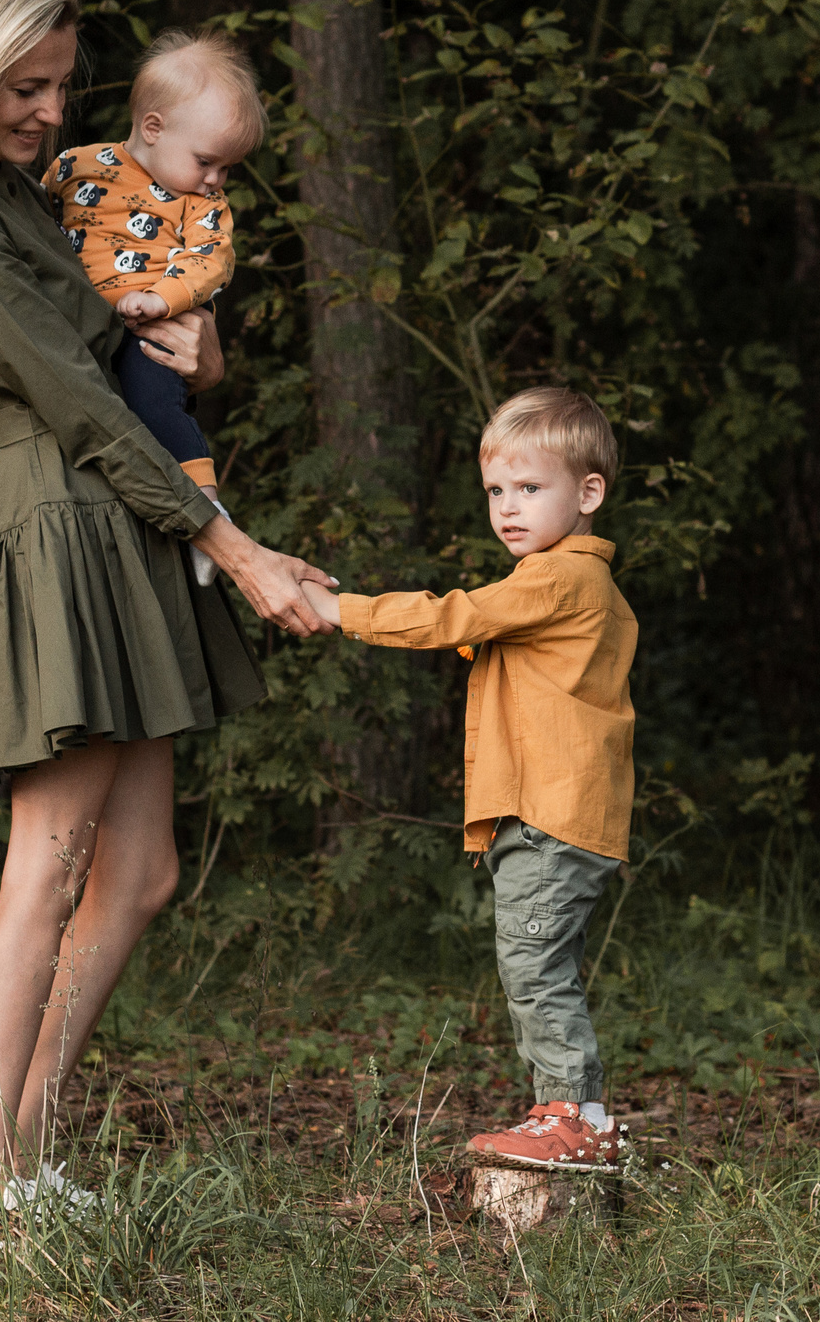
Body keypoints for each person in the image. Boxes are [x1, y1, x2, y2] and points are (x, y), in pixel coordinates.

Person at [0, 0, 332, 1252]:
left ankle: (23, 1149)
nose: (55, 112)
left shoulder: (16, 196)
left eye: (64, 84)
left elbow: (125, 346)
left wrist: (205, 349)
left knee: (144, 869)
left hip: (113, 510)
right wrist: (237, 547)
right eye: (28, 85)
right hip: (58, 524)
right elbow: (73, 402)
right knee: (47, 865)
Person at [298, 387, 637, 1174]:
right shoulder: (580, 587)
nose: (508, 508)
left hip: (553, 813)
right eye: (495, 491)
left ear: (589, 493)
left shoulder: (558, 579)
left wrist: (340, 609)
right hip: (561, 811)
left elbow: (453, 617)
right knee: (540, 961)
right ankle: (576, 1115)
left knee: (533, 963)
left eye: (530, 487)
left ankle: (572, 1116)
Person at [45, 28, 257, 583]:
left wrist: (159, 299)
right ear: (153, 128)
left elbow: (211, 262)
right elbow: (37, 224)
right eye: (208, 162)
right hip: (74, 330)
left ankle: (209, 515)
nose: (217, 181)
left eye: (227, 169)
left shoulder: (200, 203)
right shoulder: (74, 166)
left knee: (159, 406)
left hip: (149, 331)